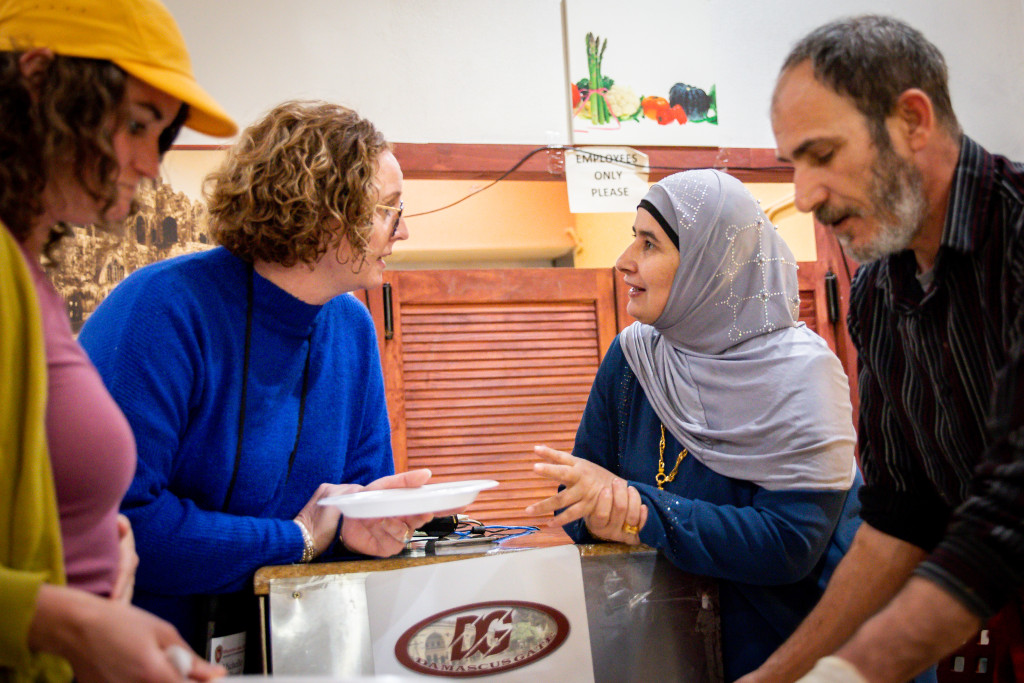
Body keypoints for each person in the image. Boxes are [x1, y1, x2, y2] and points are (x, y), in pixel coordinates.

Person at [78, 100, 444, 666]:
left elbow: (352, 508)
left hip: (298, 656)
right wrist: (296, 539)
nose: (403, 231)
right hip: (146, 660)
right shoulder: (162, 309)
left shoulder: (352, 327)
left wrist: (371, 526)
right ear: (324, 212)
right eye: (388, 210)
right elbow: (124, 525)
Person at [739, 14, 1024, 683]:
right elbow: (902, 518)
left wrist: (848, 674)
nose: (805, 196)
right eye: (794, 165)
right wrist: (777, 677)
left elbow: (1012, 510)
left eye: (823, 154)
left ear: (913, 121)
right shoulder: (878, 296)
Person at [526, 169, 863, 682]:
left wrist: (642, 513)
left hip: (803, 652)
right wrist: (598, 514)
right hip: (675, 648)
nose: (624, 262)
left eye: (650, 243)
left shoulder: (802, 374)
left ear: (714, 266)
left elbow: (790, 544)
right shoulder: (633, 359)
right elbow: (580, 500)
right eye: (631, 239)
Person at [0, 0, 237, 679]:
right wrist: (68, 619)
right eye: (136, 124)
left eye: (159, 134)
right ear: (40, 82)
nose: (150, 162)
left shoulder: (25, 268)